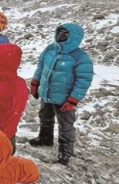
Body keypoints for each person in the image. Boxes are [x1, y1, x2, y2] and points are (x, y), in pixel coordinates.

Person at [29, 23, 94, 165]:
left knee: (65, 126)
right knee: (44, 117)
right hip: (47, 93)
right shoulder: (50, 49)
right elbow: (41, 67)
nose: (60, 36)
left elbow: (83, 80)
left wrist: (72, 100)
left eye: (65, 34)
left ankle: (65, 153)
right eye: (59, 33)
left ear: (73, 37)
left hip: (64, 99)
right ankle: (45, 139)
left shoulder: (81, 57)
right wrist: (35, 83)